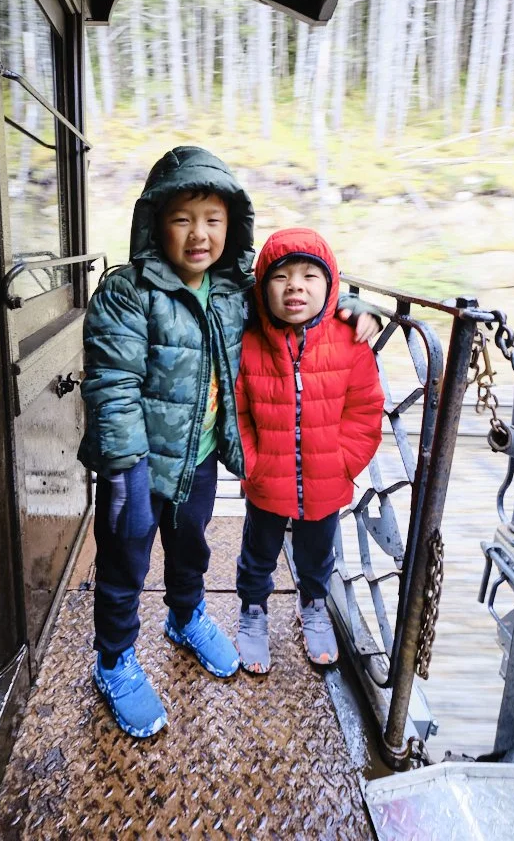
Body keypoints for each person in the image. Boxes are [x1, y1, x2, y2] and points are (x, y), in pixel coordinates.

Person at [79, 147, 380, 738]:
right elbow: (112, 384)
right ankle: (113, 661)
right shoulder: (128, 291)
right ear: (155, 222)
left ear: (230, 227)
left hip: (200, 456)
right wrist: (122, 469)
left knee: (191, 545)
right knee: (125, 561)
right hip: (136, 464)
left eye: (213, 221)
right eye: (183, 219)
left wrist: (348, 305)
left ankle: (186, 615)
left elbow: (290, 297)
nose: (199, 235)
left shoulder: (232, 289)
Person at [235, 227, 385, 674]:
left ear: (331, 286)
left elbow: (365, 410)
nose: (295, 286)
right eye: (281, 276)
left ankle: (313, 603)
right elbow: (238, 411)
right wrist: (252, 462)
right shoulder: (249, 342)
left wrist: (343, 463)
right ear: (263, 287)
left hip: (326, 478)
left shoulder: (348, 342)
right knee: (258, 549)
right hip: (267, 478)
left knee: (318, 552)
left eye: (309, 276)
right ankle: (253, 610)